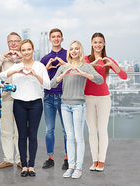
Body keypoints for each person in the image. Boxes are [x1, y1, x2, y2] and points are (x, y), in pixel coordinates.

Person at [50, 41, 103, 179]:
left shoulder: (85, 66)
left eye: (76, 49)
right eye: (71, 49)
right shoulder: (63, 67)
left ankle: (78, 168)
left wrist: (83, 74)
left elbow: (100, 79)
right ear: (69, 51)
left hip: (79, 105)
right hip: (65, 105)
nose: (74, 51)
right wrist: (63, 75)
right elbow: (51, 84)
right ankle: (71, 167)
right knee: (69, 137)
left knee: (79, 138)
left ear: (80, 51)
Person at [0, 39, 51, 177]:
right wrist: (16, 70)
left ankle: (31, 166)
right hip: (19, 104)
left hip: (36, 104)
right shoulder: (17, 66)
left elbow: (48, 85)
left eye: (29, 49)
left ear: (33, 50)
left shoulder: (39, 66)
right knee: (22, 135)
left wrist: (35, 74)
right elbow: (0, 76)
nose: (26, 52)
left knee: (32, 135)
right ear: (20, 52)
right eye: (24, 50)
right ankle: (23, 165)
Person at [84, 33, 127, 171]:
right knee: (92, 131)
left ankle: (101, 161)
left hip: (103, 98)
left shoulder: (108, 60)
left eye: (100, 42)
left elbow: (124, 76)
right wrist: (92, 64)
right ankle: (94, 160)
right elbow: (80, 71)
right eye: (95, 42)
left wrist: (113, 65)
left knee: (102, 130)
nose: (97, 45)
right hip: (88, 98)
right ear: (91, 43)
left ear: (104, 44)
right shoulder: (86, 59)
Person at [40, 28, 68, 170]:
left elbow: (74, 70)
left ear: (62, 39)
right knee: (49, 130)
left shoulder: (68, 55)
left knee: (66, 130)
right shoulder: (45, 58)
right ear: (50, 40)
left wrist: (64, 64)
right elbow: (39, 77)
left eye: (58, 37)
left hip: (64, 96)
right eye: (53, 37)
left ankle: (67, 158)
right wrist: (47, 67)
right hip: (48, 97)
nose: (56, 39)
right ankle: (50, 158)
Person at [0, 32, 23, 169]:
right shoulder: (3, 60)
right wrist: (3, 56)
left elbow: (32, 68)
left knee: (20, 131)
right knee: (6, 130)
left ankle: (20, 159)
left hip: (21, 100)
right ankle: (8, 159)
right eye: (11, 41)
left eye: (16, 41)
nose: (13, 43)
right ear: (7, 44)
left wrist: (22, 58)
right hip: (5, 99)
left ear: (20, 42)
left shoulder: (25, 58)